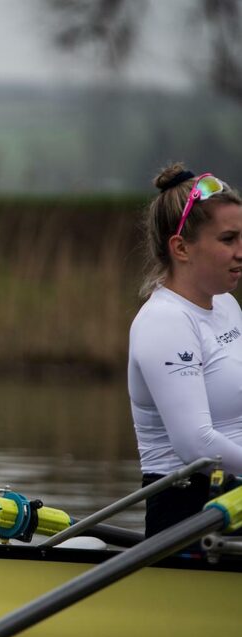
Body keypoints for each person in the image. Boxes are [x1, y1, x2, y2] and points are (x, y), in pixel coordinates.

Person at [128, 163, 242, 537]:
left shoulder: (225, 305)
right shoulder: (165, 322)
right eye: (228, 240)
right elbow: (196, 444)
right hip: (188, 510)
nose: (241, 251)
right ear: (180, 248)